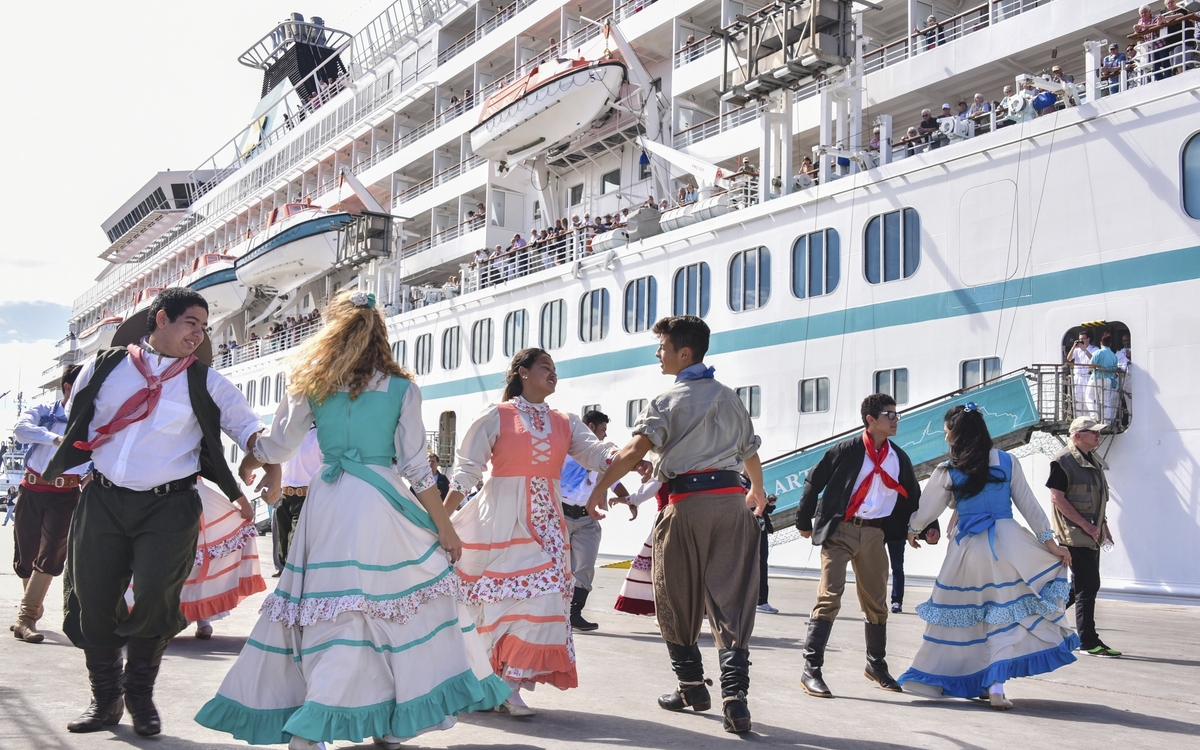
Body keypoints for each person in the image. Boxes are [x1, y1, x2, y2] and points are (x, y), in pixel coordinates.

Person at [196, 291, 507, 750]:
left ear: (331, 334)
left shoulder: (312, 382)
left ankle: (339, 720)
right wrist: (444, 526)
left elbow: (276, 447)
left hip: (329, 500)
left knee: (332, 609)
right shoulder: (403, 388)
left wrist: (252, 458)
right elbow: (418, 470)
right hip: (382, 503)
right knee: (392, 609)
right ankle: (369, 720)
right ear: (381, 334)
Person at [43, 288, 263, 738]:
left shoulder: (208, 381)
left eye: (204, 327)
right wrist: (84, 469)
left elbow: (246, 427)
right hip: (102, 499)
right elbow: (78, 418)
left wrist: (267, 451)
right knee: (94, 599)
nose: (199, 335)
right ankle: (105, 699)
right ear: (161, 319)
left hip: (170, 504)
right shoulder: (102, 367)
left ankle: (140, 696)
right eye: (191, 324)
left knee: (157, 598)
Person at [586, 315, 766, 734]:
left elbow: (633, 451)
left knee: (674, 595)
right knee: (734, 599)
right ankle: (735, 700)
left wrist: (600, 488)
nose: (657, 354)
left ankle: (691, 686)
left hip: (687, 505)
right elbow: (750, 451)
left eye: (662, 347)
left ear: (684, 353)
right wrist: (755, 490)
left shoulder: (667, 399)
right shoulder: (730, 397)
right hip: (733, 503)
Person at [444, 348, 631, 716]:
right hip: (499, 518)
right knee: (492, 604)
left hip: (547, 523)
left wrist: (629, 457)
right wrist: (439, 518)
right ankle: (488, 682)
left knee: (543, 597)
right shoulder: (496, 416)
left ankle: (510, 685)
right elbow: (467, 471)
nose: (553, 374)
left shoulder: (565, 420)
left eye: (555, 369)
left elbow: (595, 453)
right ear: (523, 372)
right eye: (546, 367)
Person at [897, 404, 1077, 709]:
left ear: (957, 434)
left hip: (967, 550)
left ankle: (966, 679)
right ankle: (994, 687)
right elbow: (1030, 507)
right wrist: (1052, 545)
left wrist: (912, 529)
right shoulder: (1007, 461)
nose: (945, 438)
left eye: (947, 432)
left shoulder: (948, 470)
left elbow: (928, 510)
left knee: (968, 620)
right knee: (1003, 618)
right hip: (1009, 547)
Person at [794, 393, 922, 699]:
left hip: (875, 535)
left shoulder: (897, 457)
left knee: (877, 603)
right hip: (841, 530)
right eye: (889, 414)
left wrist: (924, 527)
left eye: (896, 414)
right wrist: (803, 520)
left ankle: (875, 665)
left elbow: (912, 496)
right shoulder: (847, 449)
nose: (895, 420)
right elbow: (815, 480)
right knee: (829, 596)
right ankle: (811, 670)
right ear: (871, 420)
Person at [9, 365, 90, 643]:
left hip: (65, 495)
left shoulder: (91, 420)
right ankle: (31, 607)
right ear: (69, 388)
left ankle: (26, 618)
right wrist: (56, 438)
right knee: (25, 554)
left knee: (52, 555)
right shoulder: (45, 410)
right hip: (30, 489)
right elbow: (21, 430)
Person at [1047, 416, 1121, 658]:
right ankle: (1088, 641)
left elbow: (1096, 499)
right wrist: (1086, 527)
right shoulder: (1063, 461)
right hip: (1074, 534)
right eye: (1094, 432)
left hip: (1090, 532)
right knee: (1088, 585)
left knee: (1079, 586)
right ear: (1077, 435)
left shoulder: (1092, 460)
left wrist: (1103, 526)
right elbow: (1057, 498)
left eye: (1099, 433)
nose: (1099, 436)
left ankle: (1042, 617)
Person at [559, 409, 631, 631]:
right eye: (603, 430)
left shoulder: (600, 456)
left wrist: (628, 499)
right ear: (590, 427)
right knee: (556, 567)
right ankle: (552, 614)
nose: (604, 435)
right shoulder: (565, 452)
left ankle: (575, 613)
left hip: (586, 518)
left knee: (585, 566)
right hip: (560, 514)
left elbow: (612, 479)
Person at [611, 479, 664, 616]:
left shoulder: (661, 474)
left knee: (657, 570)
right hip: (688, 522)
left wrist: (619, 499)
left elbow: (638, 497)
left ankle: (663, 612)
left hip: (665, 522)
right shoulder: (690, 468)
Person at [273, 425, 320, 571]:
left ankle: (292, 583)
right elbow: (277, 464)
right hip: (283, 496)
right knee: (282, 548)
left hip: (305, 498)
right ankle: (287, 579)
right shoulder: (287, 436)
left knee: (295, 546)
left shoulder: (319, 436)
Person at [886, 514, 940, 614]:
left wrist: (930, 527)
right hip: (878, 526)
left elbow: (920, 502)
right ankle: (875, 601)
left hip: (897, 528)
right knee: (875, 567)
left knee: (897, 566)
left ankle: (896, 601)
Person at [1088, 333, 1120, 422]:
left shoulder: (1098, 352)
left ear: (1101, 343)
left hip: (1097, 377)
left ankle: (1094, 415)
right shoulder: (1114, 355)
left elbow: (1090, 366)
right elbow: (1115, 368)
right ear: (1110, 344)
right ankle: (1107, 420)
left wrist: (1089, 371)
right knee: (1106, 400)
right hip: (1109, 379)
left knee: (1089, 396)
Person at [1067, 330, 1098, 419]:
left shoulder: (1094, 349)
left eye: (1083, 339)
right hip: (1078, 378)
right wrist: (1074, 346)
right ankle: (1079, 419)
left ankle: (1089, 420)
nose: (1081, 341)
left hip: (1088, 377)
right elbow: (1069, 358)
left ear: (1088, 339)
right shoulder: (1076, 350)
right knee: (1078, 400)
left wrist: (1084, 350)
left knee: (1088, 399)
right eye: (1080, 339)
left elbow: (1093, 359)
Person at [756, 495, 779, 614]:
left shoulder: (757, 485)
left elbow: (765, 510)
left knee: (762, 566)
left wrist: (769, 504)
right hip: (748, 531)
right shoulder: (741, 482)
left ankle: (761, 601)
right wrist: (762, 504)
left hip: (761, 531)